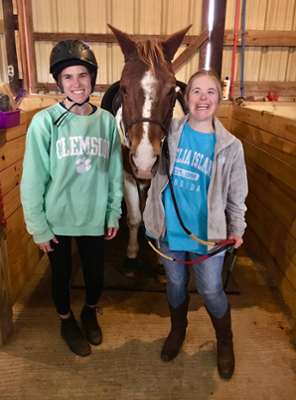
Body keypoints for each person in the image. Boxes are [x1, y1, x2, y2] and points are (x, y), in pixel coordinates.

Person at [21, 40, 123, 357]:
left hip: (93, 218)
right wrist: (38, 226)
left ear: (92, 78)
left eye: (82, 75)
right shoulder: (44, 122)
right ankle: (66, 322)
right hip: (58, 219)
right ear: (59, 82)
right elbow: (33, 178)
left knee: (95, 277)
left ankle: (89, 312)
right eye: (68, 77)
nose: (76, 83)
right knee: (61, 276)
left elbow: (114, 172)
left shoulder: (106, 122)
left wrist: (112, 213)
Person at [143, 69, 248, 379]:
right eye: (196, 92)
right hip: (169, 231)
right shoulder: (168, 132)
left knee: (211, 289)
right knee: (175, 284)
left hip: (208, 238)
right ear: (185, 99)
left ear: (219, 98)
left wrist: (236, 229)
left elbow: (236, 195)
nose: (203, 98)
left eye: (210, 92)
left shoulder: (231, 147)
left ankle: (224, 341)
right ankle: (178, 331)